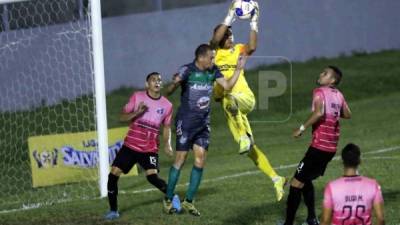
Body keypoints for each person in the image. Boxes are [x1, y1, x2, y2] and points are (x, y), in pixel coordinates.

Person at [210, 1, 286, 201]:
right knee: (251, 150)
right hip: (231, 111)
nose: (230, 36)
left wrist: (254, 20)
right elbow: (214, 39)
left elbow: (252, 45)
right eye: (226, 34)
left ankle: (243, 137)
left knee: (229, 98)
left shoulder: (238, 50)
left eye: (231, 33)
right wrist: (228, 17)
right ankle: (276, 178)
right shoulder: (213, 54)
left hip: (244, 99)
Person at [163, 43, 245, 216]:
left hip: (203, 124)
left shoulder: (213, 70)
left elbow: (228, 85)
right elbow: (168, 92)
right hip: (185, 123)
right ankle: (168, 199)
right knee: (181, 159)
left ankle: (189, 201)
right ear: (201, 57)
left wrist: (238, 69)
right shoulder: (187, 70)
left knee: (200, 160)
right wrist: (174, 83)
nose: (213, 60)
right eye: (211, 57)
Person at [282, 66, 352, 225]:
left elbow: (319, 112)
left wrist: (301, 128)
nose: (321, 75)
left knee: (296, 183)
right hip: (330, 149)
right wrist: (334, 110)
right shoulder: (338, 95)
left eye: (325, 74)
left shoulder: (319, 91)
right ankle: (312, 218)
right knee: (305, 179)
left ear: (332, 80)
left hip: (318, 148)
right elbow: (347, 114)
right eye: (322, 72)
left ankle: (288, 223)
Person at [104, 72, 174, 220]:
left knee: (152, 177)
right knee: (113, 175)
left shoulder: (167, 105)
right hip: (130, 145)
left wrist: (167, 144)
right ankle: (113, 210)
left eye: (159, 80)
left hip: (149, 147)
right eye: (153, 80)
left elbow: (167, 127)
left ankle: (173, 197)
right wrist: (137, 112)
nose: (157, 82)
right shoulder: (137, 97)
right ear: (147, 84)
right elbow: (122, 116)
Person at [321, 143, 385, 225]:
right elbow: (381, 219)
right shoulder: (372, 185)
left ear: (342, 161)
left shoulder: (331, 187)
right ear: (359, 160)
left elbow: (325, 221)